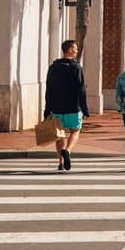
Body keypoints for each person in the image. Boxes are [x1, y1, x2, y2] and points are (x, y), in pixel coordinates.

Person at [44, 39, 89, 172]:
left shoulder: (53, 67)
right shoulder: (77, 67)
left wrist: (47, 109)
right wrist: (85, 109)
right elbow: (81, 90)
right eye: (74, 48)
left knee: (59, 136)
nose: (76, 50)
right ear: (69, 50)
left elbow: (49, 89)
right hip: (73, 107)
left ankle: (60, 163)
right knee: (75, 131)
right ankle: (68, 151)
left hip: (57, 107)